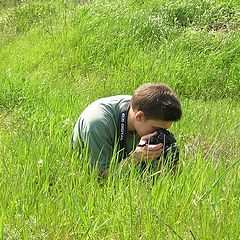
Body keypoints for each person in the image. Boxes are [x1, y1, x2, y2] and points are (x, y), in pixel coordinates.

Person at [72, 83, 182, 177]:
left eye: (164, 130)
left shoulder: (147, 112)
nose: (158, 134)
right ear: (139, 117)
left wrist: (171, 163)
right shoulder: (97, 125)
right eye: (156, 129)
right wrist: (136, 157)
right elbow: (100, 176)